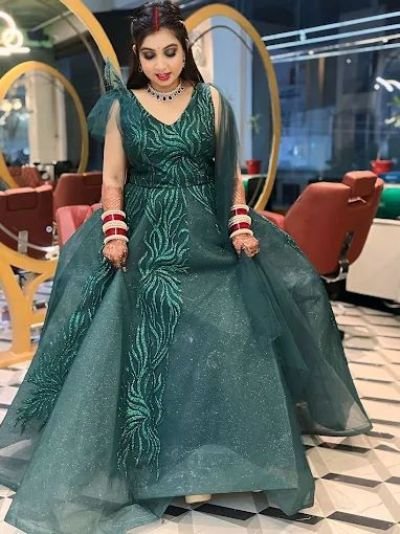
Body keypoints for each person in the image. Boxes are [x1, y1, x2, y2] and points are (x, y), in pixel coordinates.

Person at [0, 1, 371, 532]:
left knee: (232, 331)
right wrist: (114, 231)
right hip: (145, 234)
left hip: (208, 229)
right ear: (137, 57)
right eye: (149, 55)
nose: (161, 65)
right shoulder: (123, 106)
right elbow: (113, 181)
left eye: (170, 52)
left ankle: (218, 449)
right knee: (146, 337)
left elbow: (230, 176)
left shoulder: (212, 101)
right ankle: (156, 454)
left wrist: (240, 224)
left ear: (185, 51)